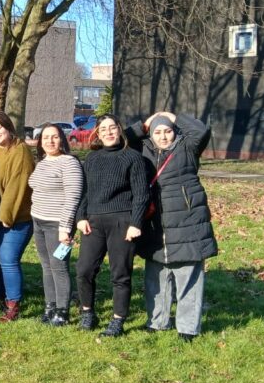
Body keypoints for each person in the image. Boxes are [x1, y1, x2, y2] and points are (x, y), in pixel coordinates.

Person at [126, 111, 218, 341]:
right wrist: (145, 124)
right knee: (156, 279)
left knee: (188, 277)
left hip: (186, 222)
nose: (163, 136)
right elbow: (123, 139)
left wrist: (172, 116)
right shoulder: (143, 150)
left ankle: (187, 328)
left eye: (167, 131)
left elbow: (201, 131)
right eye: (158, 132)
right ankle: (157, 322)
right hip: (155, 224)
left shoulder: (187, 147)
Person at [75, 113, 148, 337]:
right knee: (84, 270)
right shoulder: (92, 159)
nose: (108, 132)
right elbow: (85, 192)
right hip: (94, 222)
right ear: (97, 133)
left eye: (112, 127)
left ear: (119, 130)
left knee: (120, 274)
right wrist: (81, 217)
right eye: (103, 129)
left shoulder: (133, 158)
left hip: (122, 221)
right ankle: (88, 312)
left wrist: (135, 223)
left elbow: (141, 194)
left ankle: (118, 319)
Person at [0, 111, 35, 322]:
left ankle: (13, 304)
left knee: (8, 259)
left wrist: (6, 216)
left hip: (15, 218)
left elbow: (17, 186)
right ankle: (3, 296)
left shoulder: (20, 151)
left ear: (8, 127)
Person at [28, 123, 84, 327]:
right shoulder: (42, 161)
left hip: (57, 225)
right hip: (38, 221)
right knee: (46, 266)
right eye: (45, 138)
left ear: (62, 139)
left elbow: (73, 196)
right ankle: (50, 306)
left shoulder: (69, 162)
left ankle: (62, 310)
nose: (50, 141)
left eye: (54, 137)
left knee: (59, 267)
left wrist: (65, 227)